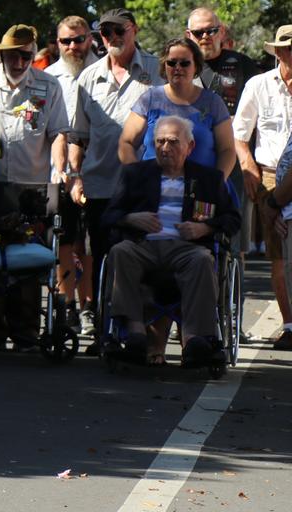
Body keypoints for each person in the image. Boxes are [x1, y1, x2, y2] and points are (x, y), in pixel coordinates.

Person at [0, 25, 70, 349]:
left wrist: (59, 171)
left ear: (33, 55)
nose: (19, 61)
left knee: (27, 257)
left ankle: (26, 331)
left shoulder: (50, 85)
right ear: (0, 54)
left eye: (25, 55)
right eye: (12, 54)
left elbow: (59, 133)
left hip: (31, 186)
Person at [102, 115, 239, 367]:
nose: (165, 148)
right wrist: (132, 218)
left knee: (202, 260)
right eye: (160, 142)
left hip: (187, 248)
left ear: (190, 147)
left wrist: (203, 228)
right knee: (120, 252)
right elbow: (109, 215)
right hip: (143, 245)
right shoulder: (136, 174)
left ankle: (195, 338)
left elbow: (232, 219)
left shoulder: (209, 179)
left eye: (173, 142)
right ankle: (134, 333)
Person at [67, 8, 164, 320]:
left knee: (145, 259)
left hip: (148, 184)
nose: (112, 38)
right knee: (103, 255)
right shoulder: (88, 77)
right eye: (106, 33)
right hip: (101, 184)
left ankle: (141, 327)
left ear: (133, 29)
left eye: (119, 31)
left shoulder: (157, 69)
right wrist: (75, 177)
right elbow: (77, 137)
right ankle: (103, 326)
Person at [232, 25, 292, 349]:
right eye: (290, 48)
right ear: (279, 52)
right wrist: (247, 169)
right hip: (269, 174)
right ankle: (290, 324)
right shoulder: (258, 85)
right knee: (279, 256)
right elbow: (239, 135)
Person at [44, 16, 99, 334]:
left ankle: (88, 307)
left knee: (88, 246)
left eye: (78, 39)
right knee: (62, 243)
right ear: (57, 42)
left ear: (90, 38)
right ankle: (65, 308)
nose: (73, 46)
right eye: (66, 41)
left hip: (97, 172)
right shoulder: (46, 77)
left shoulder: (105, 71)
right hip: (57, 176)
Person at [118, 39, 235, 176]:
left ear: (196, 66)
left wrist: (216, 183)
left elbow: (227, 150)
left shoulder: (213, 102)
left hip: (200, 191)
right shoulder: (149, 99)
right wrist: (137, 177)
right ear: (164, 66)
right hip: (154, 191)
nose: (177, 68)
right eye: (172, 63)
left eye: (184, 63)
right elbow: (126, 143)